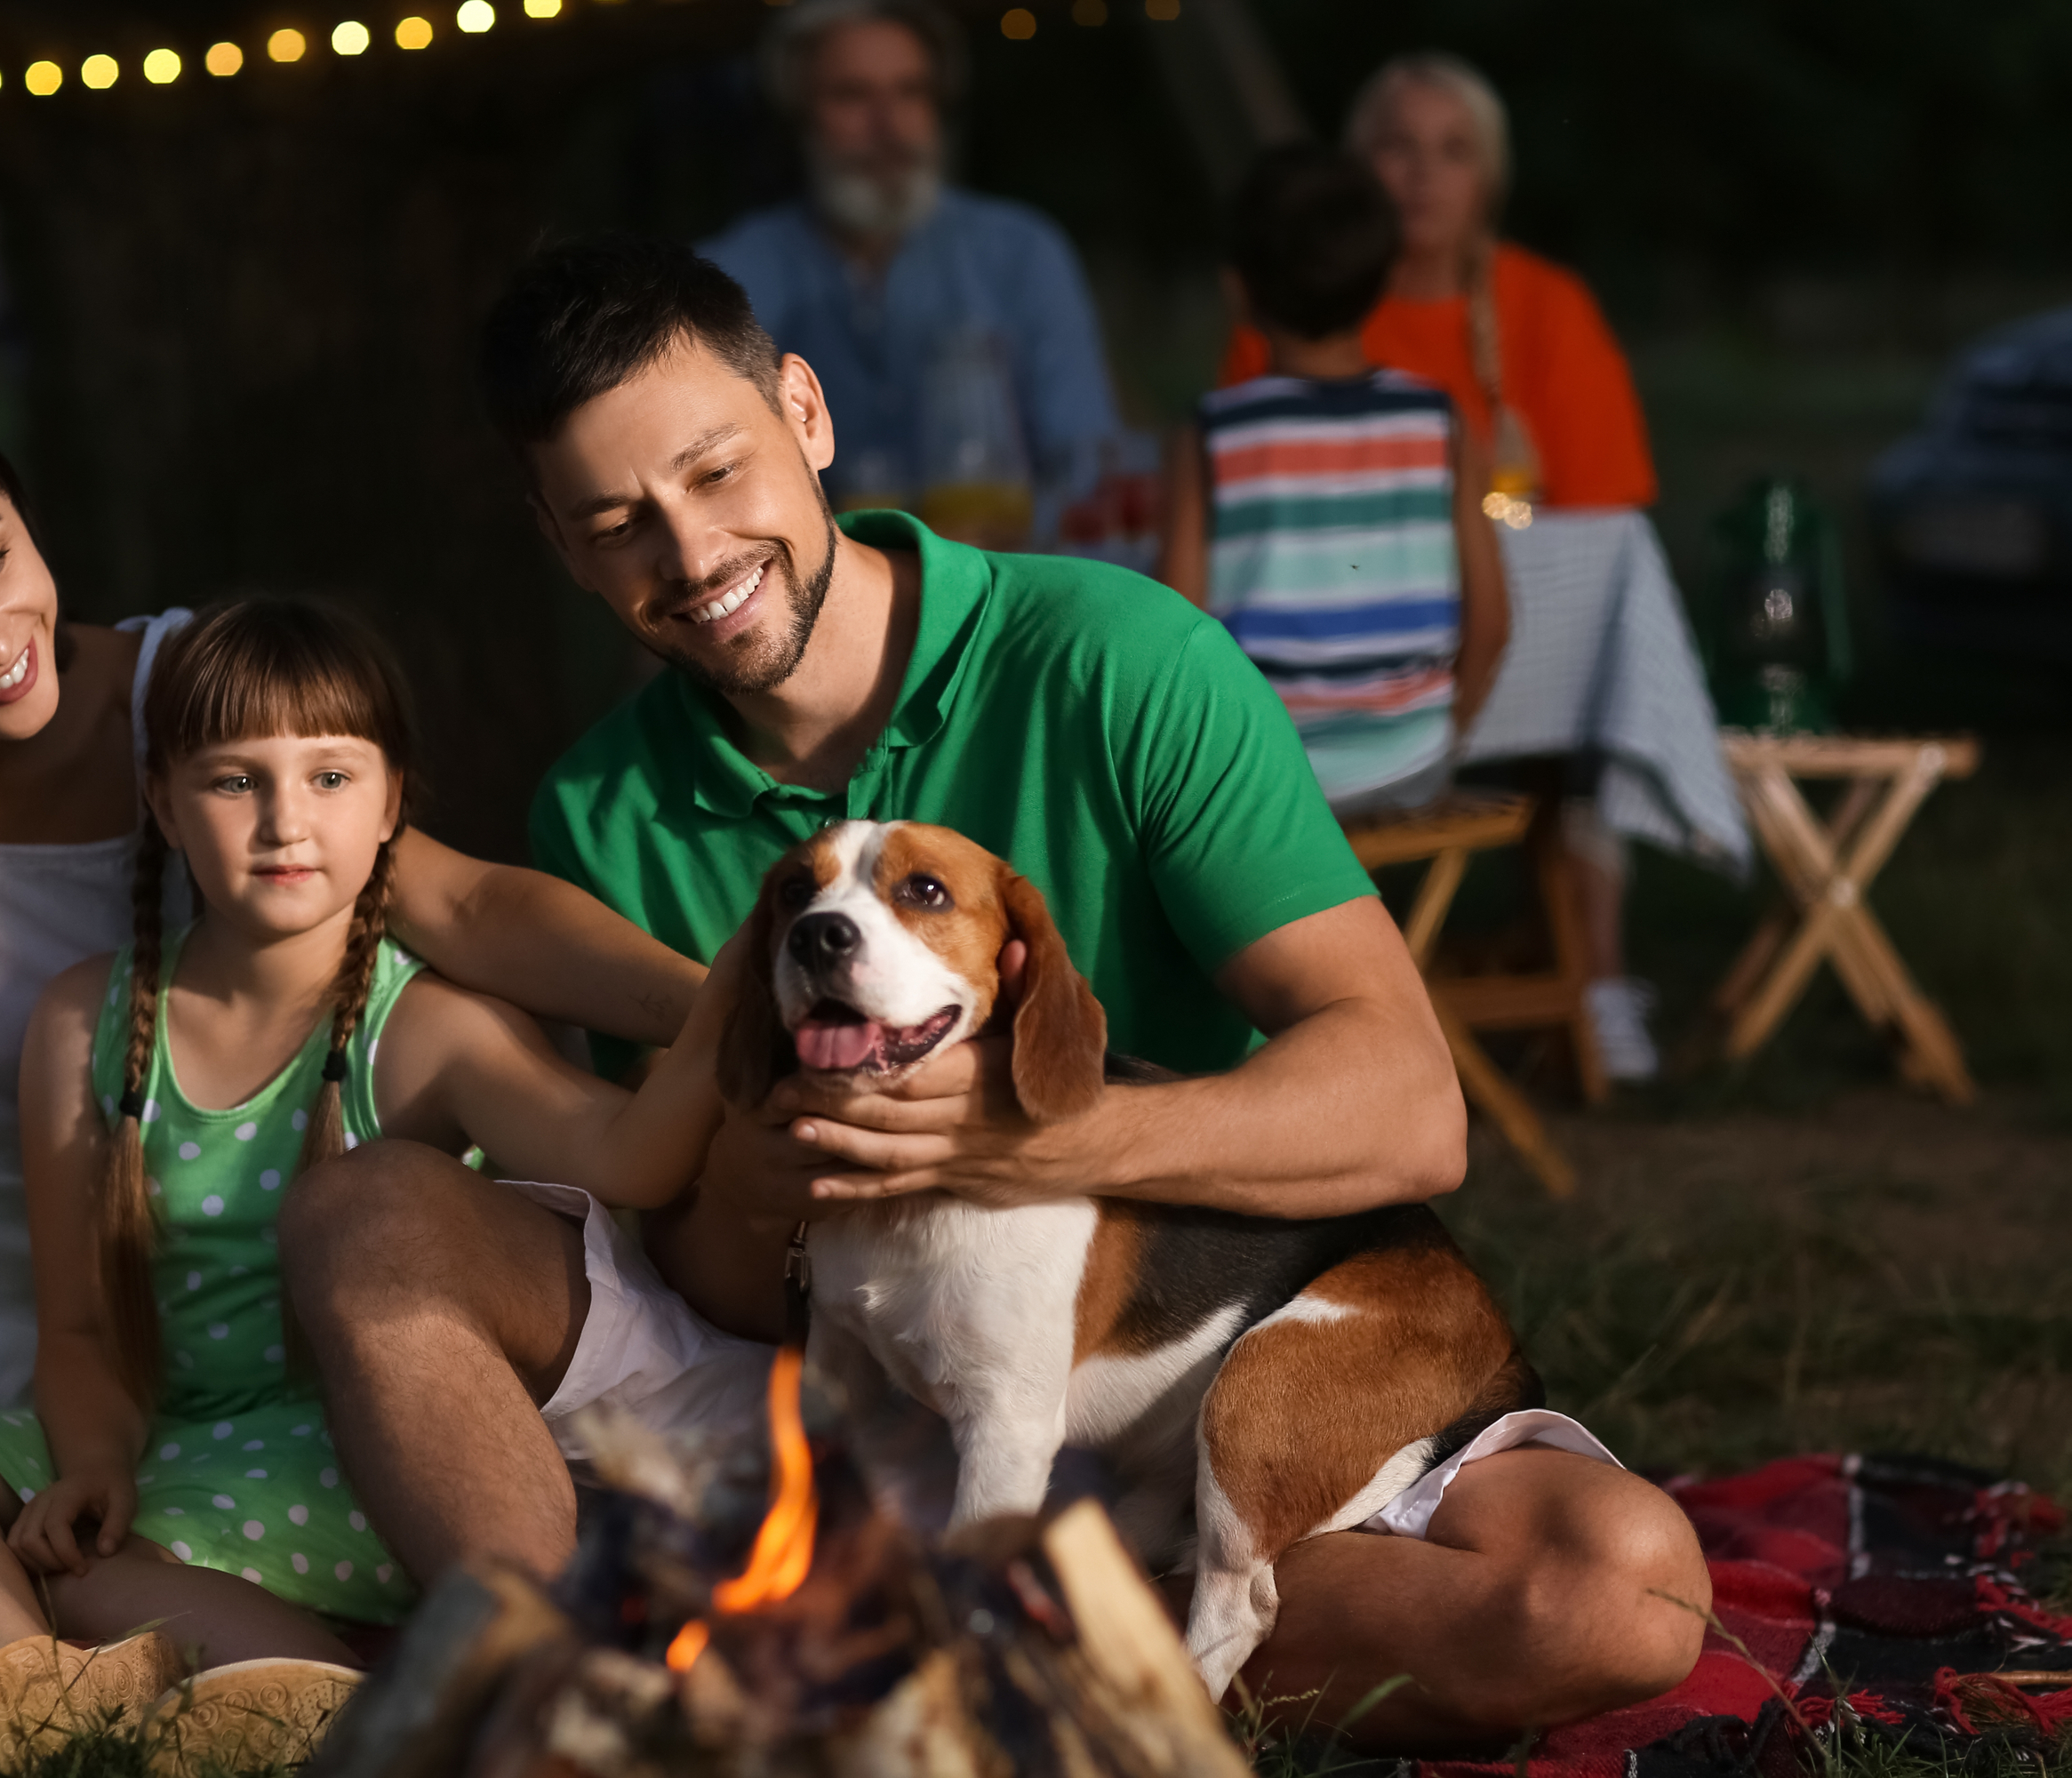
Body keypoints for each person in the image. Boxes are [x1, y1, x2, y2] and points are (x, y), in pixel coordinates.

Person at [281, 236, 1708, 1753]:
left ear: (808, 416)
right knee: (369, 1214)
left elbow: (1414, 1114)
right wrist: (756, 1196)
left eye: (715, 473)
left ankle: (942, 1661)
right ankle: (591, 1698)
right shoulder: (605, 810)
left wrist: (1031, 1138)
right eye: (618, 522)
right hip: (836, 1385)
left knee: (1623, 1593)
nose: (691, 558)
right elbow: (691, 1268)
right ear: (562, 545)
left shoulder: (1122, 662)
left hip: (1176, 1352)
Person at [0, 370, 702, 1604]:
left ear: (8, 490)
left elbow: (472, 905)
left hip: (269, 1416)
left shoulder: (187, 712)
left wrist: (730, 1017)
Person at [0, 597, 742, 1774]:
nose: (282, 822)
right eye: (233, 782)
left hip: (355, 1456)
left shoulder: (427, 1030)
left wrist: (731, 1015)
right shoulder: (84, 1023)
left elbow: (627, 1158)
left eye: (328, 776)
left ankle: (347, 1710)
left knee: (108, 1581)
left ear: (392, 803)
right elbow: (79, 1325)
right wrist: (95, 1462)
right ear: (162, 802)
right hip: (166, 1445)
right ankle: (38, 1693)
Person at [1219, 53, 1666, 1077]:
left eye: (1451, 152)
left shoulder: (1546, 307)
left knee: (1595, 694)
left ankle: (1595, 983)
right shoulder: (1303, 305)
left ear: (1489, 180)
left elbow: (1604, 517)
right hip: (1415, 717)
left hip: (1414, 691)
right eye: (1395, 146)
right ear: (1350, 170)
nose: (1421, 175)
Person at [1161, 143, 1509, 818]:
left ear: (1238, 288)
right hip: (1412, 768)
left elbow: (1177, 632)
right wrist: (1434, 748)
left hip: (1261, 782)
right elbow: (1492, 621)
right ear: (1385, 279)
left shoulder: (1211, 433)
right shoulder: (1438, 419)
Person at [700, 0, 1122, 548]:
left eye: (911, 92)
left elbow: (1088, 467)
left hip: (1008, 592)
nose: (889, 125)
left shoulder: (1021, 253)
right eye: (852, 95)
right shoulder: (731, 274)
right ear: (799, 114)